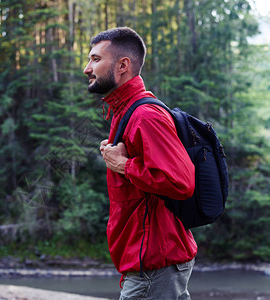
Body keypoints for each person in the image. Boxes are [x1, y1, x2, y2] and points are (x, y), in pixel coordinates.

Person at [84, 27, 197, 299]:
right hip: (149, 264)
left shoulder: (145, 116)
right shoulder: (126, 112)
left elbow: (181, 182)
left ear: (123, 65)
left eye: (96, 59)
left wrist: (123, 165)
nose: (87, 68)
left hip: (154, 266)